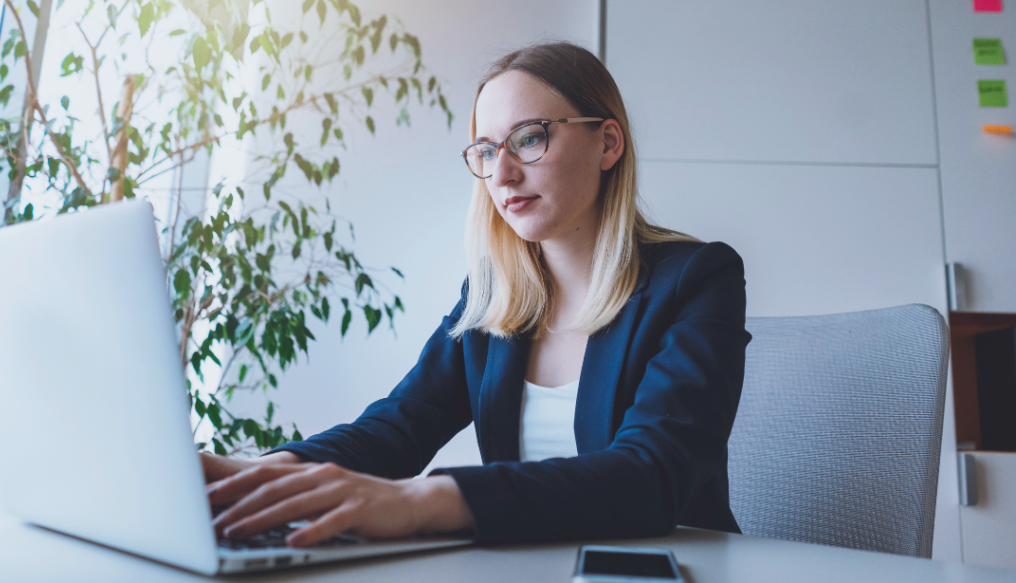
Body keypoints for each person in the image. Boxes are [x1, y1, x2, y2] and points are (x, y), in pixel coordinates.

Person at [204, 41, 750, 548]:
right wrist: (263, 472)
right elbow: (397, 427)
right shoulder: (495, 297)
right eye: (487, 151)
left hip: (669, 569)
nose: (504, 173)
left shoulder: (698, 279)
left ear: (607, 143)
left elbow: (651, 475)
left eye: (530, 138)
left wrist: (424, 499)